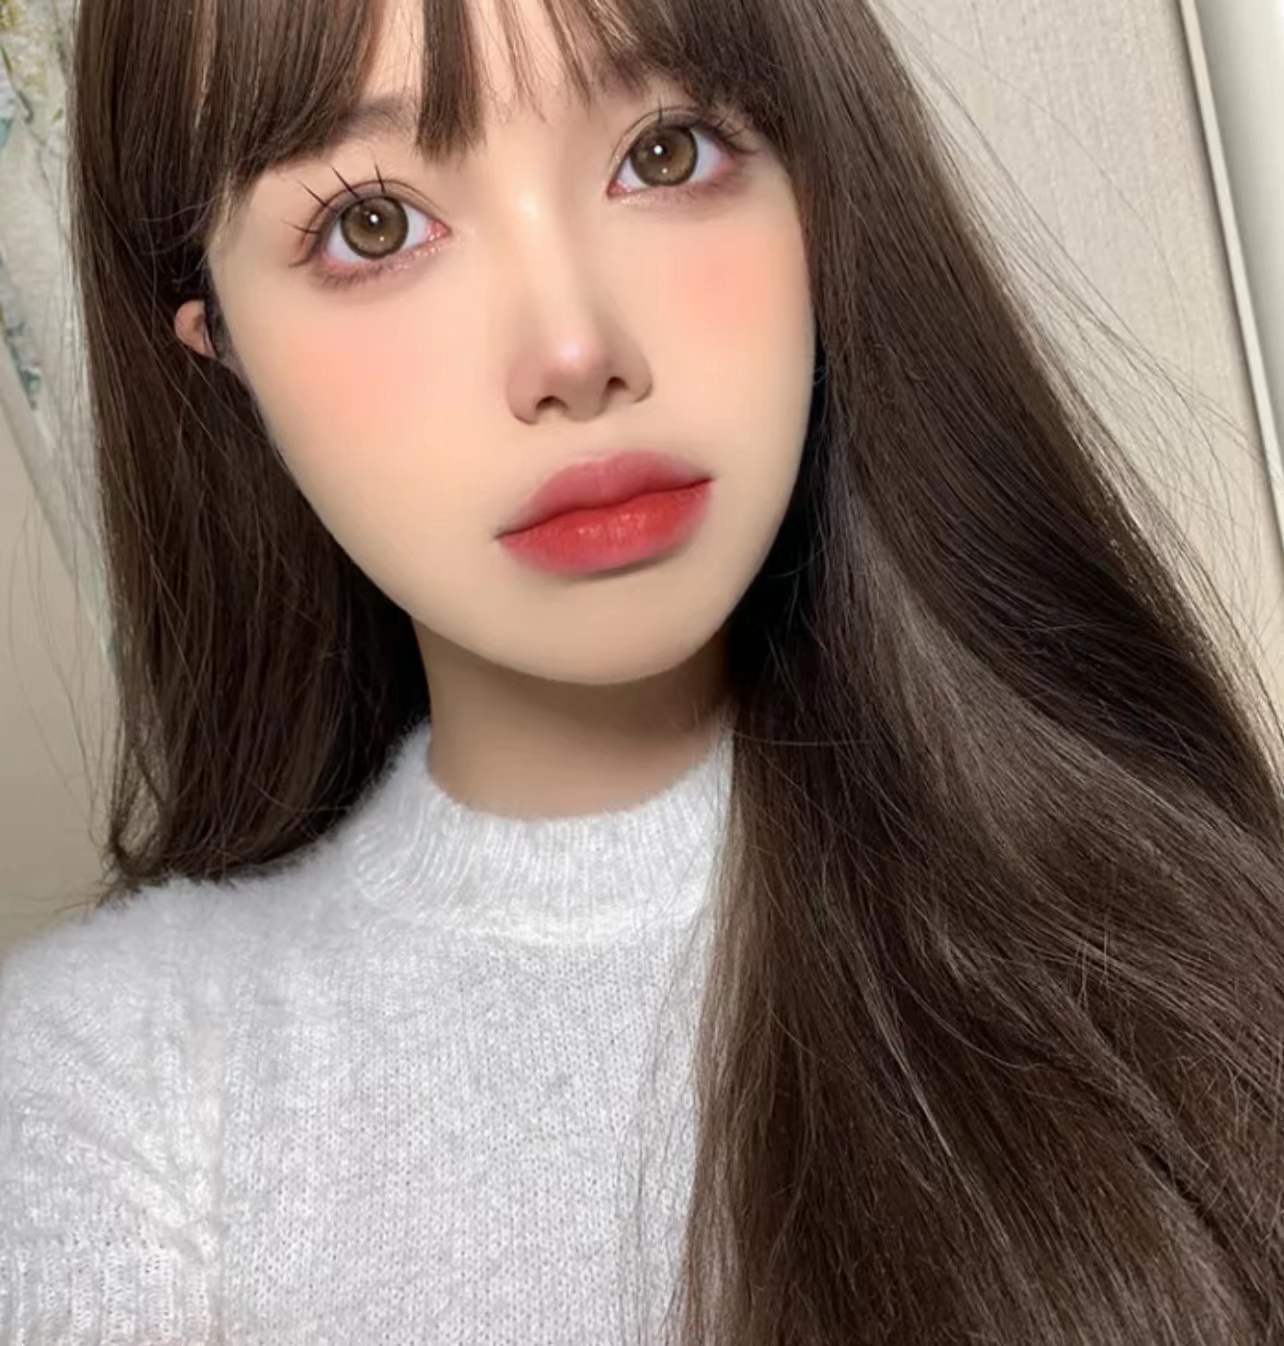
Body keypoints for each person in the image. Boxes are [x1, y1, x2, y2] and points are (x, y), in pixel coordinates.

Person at [3, 0, 1284, 1340]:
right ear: (220, 348)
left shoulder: (1180, 949)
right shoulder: (112, 1100)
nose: (574, 351)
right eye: (372, 225)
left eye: (667, 153)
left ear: (821, 190)